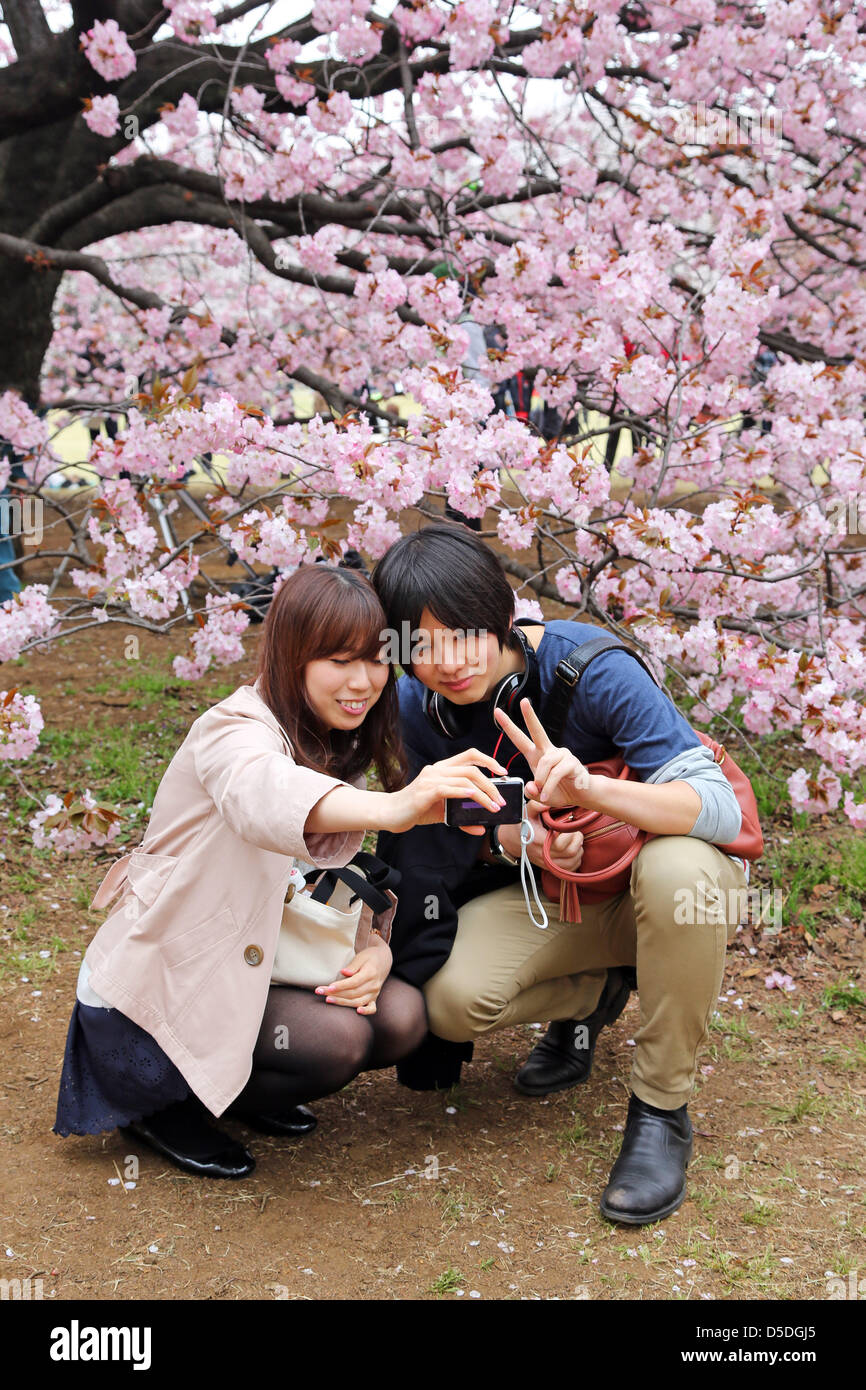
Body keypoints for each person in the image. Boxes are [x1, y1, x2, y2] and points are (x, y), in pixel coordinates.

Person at [54, 563, 507, 1179]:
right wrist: (398, 808)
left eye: (376, 660)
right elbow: (262, 796)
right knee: (337, 1042)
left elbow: (324, 879)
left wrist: (372, 948)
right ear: (292, 655)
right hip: (165, 994)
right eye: (338, 660)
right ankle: (164, 1106)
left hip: (256, 961)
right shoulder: (232, 731)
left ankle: (230, 1092)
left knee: (400, 1016)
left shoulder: (326, 736)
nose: (363, 681)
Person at [373, 523, 751, 1226]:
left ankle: (662, 1110)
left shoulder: (590, 668)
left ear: (501, 616)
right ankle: (594, 996)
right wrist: (523, 844)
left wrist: (592, 792)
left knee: (679, 873)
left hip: (666, 886)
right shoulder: (414, 709)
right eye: (421, 646)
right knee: (451, 1002)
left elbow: (722, 810)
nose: (448, 663)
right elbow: (441, 822)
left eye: (463, 634)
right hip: (568, 897)